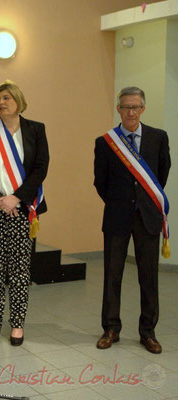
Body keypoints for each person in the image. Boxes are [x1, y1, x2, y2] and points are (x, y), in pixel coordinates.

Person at [0, 80, 49, 346]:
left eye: (6, 98)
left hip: (23, 209)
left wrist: (16, 199)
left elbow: (40, 168)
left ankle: (17, 324)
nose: (1, 102)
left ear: (18, 100)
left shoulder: (36, 129)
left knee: (19, 269)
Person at [94, 86, 171, 354]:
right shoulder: (105, 142)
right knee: (112, 275)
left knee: (148, 276)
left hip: (147, 217)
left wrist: (144, 202)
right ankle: (110, 328)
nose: (130, 112)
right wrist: (120, 203)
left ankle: (147, 332)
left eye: (135, 107)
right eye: (125, 107)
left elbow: (161, 175)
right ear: (118, 109)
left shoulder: (158, 138)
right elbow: (100, 182)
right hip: (116, 217)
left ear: (143, 109)